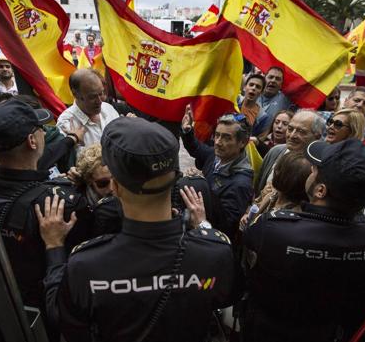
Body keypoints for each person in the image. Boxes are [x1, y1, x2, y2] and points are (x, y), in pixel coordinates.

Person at [40, 117, 238, 342]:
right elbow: (227, 298)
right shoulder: (216, 251)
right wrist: (203, 227)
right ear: (175, 177)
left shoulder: (85, 265)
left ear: (115, 186)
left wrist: (54, 247)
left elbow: (60, 316)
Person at [242, 139, 365, 341]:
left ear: (320, 190)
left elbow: (247, 270)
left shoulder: (274, 229)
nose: (310, 170)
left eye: (314, 170)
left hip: (269, 330)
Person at [0, 99, 90, 327]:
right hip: (51, 313)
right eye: (41, 129)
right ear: (32, 140)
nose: (43, 134)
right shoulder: (59, 205)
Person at [181, 111, 254, 240]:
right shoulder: (217, 155)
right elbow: (197, 149)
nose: (218, 142)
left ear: (242, 142)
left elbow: (226, 226)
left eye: (226, 138)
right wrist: (187, 131)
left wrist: (201, 184)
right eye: (217, 135)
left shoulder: (241, 183)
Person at [256, 110, 324, 194]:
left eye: (301, 131)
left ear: (317, 136)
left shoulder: (317, 168)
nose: (292, 135)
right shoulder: (275, 151)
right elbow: (258, 186)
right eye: (290, 129)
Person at [57, 69, 120, 152]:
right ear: (76, 94)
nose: (99, 101)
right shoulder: (66, 123)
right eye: (92, 97)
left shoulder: (108, 109)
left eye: (101, 93)